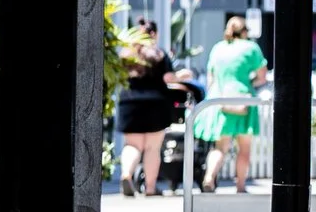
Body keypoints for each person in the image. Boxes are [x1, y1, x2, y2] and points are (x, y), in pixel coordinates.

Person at [114, 20, 189, 196]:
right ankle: (150, 187)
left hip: (129, 103)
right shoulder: (159, 54)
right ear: (154, 34)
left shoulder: (126, 54)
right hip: (156, 104)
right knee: (152, 148)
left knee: (132, 145)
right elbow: (168, 78)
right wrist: (181, 75)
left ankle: (127, 174)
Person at [199, 15, 271, 193]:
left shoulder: (218, 48)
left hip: (221, 100)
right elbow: (262, 76)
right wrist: (249, 83)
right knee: (244, 148)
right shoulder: (251, 48)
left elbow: (211, 78)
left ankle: (209, 177)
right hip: (243, 99)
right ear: (245, 31)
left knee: (220, 147)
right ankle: (240, 186)